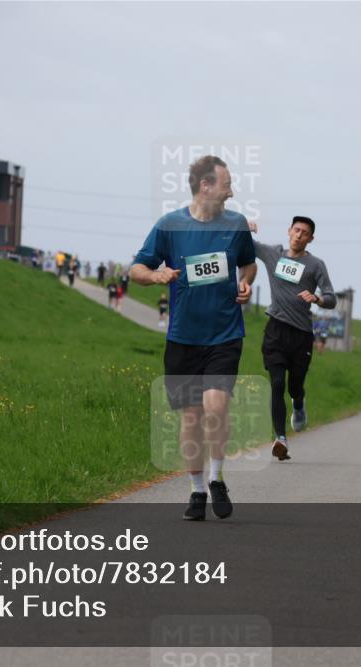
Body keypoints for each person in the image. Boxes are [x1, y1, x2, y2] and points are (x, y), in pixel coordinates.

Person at [129, 155, 256, 521]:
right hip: (183, 337)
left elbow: (248, 263)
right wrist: (156, 276)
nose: (232, 192)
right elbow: (136, 268)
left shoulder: (236, 225)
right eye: (227, 185)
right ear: (206, 185)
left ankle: (216, 478)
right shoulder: (169, 225)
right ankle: (197, 490)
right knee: (191, 417)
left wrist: (246, 282)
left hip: (225, 334)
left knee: (216, 407)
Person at [250, 215, 336, 461]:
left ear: (311, 239)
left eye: (304, 233)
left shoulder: (315, 265)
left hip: (301, 335)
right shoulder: (273, 254)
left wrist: (317, 298)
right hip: (275, 330)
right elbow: (246, 244)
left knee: (294, 386)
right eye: (296, 230)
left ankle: (299, 403)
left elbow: (331, 297)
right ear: (289, 231)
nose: (299, 235)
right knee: (277, 383)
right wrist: (244, 226)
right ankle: (281, 438)